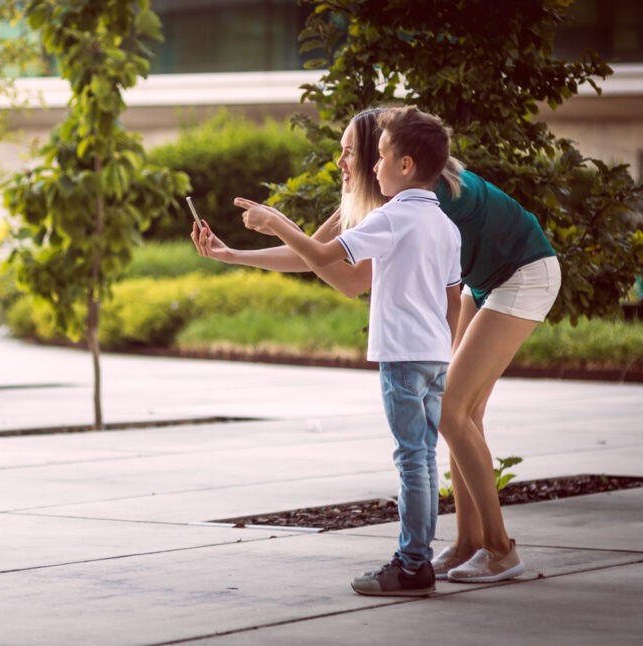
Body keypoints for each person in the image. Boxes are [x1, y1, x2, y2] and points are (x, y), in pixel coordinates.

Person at [191, 107, 562, 585]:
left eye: (348, 151)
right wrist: (232, 254)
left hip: (523, 273)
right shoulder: (392, 194)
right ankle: (468, 542)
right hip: (482, 281)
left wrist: (279, 223)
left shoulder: (417, 201)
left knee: (453, 413)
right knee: (461, 415)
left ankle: (500, 549)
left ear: (385, 157)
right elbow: (317, 254)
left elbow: (342, 273)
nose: (341, 162)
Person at [241, 106, 460, 597]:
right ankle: (418, 559)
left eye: (378, 157)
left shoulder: (391, 217)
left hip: (402, 358)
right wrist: (444, 351)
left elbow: (322, 255)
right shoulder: (446, 225)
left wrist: (276, 221)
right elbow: (453, 300)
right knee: (424, 459)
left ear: (404, 165)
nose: (372, 167)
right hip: (434, 357)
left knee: (410, 461)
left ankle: (412, 565)